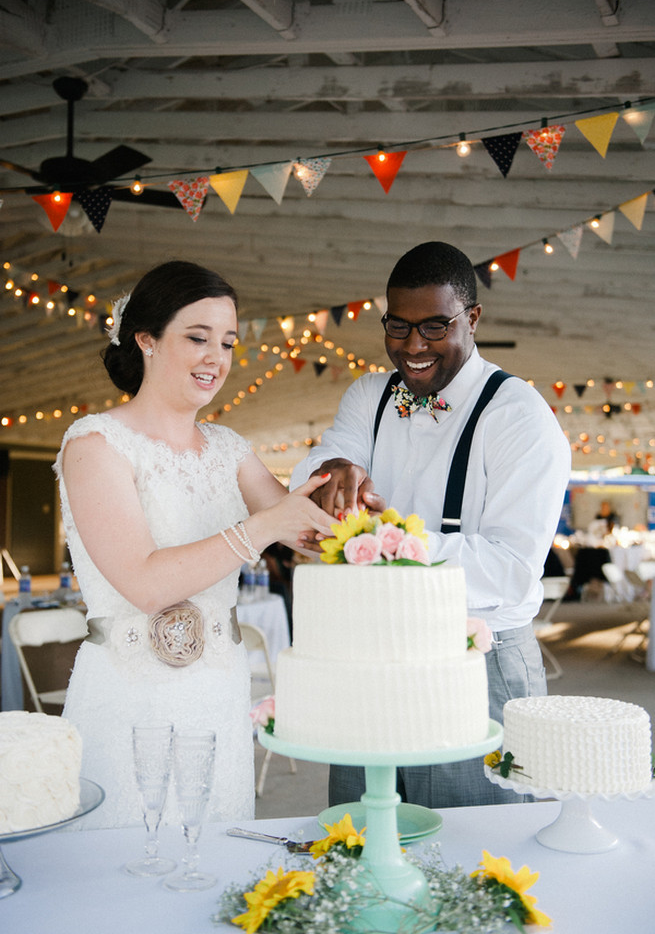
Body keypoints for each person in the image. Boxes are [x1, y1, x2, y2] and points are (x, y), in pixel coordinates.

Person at [291, 241, 571, 809]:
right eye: (398, 327)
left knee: (471, 850)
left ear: (472, 319)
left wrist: (387, 545)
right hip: (369, 653)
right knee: (362, 831)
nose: (413, 346)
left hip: (477, 659)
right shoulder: (369, 395)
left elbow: (512, 569)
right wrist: (331, 472)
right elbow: (315, 482)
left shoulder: (519, 416)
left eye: (434, 327)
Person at [55, 260, 333, 828]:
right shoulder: (94, 443)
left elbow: (305, 531)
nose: (217, 358)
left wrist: (350, 508)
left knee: (213, 859)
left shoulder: (229, 447)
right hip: (129, 691)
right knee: (128, 857)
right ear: (146, 340)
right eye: (197, 337)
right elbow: (145, 582)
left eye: (227, 343)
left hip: (218, 689)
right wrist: (263, 528)